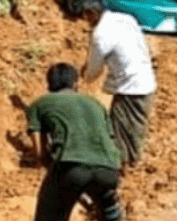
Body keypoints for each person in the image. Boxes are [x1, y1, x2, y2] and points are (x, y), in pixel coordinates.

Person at [26, 63, 124, 221]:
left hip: (71, 166)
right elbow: (110, 141)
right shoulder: (96, 104)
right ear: (75, 83)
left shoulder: (40, 104)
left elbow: (40, 153)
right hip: (109, 169)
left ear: (49, 84)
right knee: (110, 212)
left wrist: (59, 175)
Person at [80, 0, 156, 167]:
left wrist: (85, 74)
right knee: (135, 126)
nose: (86, 21)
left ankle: (121, 165)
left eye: (86, 16)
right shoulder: (126, 18)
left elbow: (93, 72)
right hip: (146, 78)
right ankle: (131, 161)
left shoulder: (100, 35)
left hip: (131, 87)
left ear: (92, 13)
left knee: (120, 128)